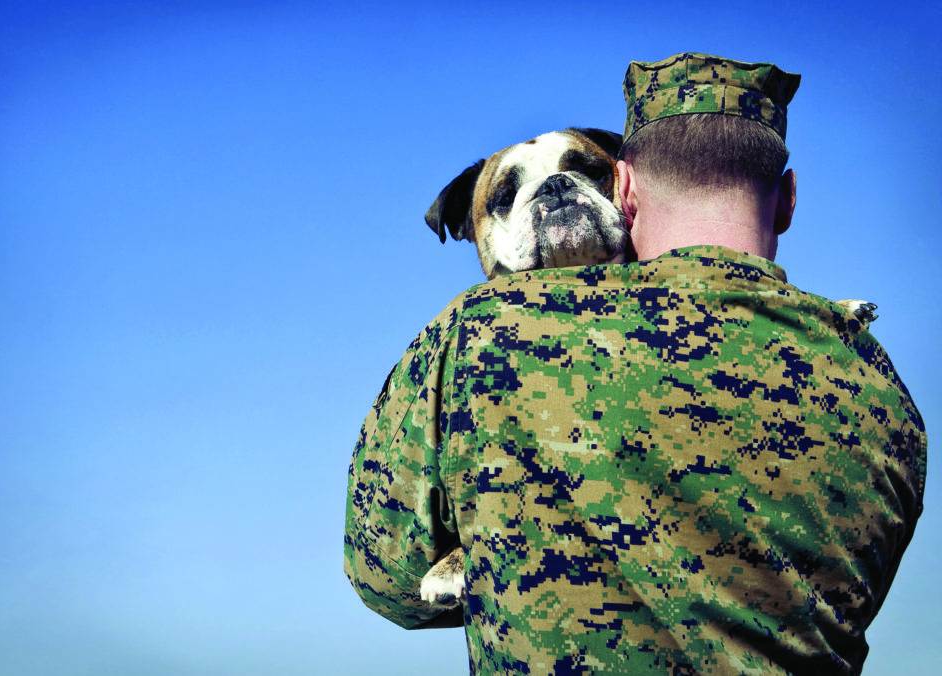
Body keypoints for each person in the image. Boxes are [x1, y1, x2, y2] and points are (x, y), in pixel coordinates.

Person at [343, 53, 926, 674]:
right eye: (510, 194)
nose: (555, 196)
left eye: (581, 173)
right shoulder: (880, 391)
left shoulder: (472, 340)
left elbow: (384, 579)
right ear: (786, 200)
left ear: (625, 187)